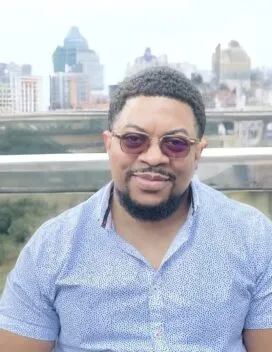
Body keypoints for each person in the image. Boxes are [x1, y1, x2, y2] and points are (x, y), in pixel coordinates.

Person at [0, 66, 272, 352]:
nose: (153, 157)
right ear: (109, 144)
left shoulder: (252, 238)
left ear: (197, 153)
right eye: (133, 140)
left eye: (175, 144)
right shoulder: (52, 248)